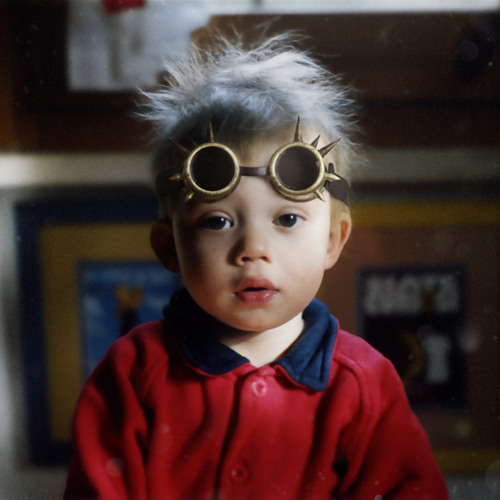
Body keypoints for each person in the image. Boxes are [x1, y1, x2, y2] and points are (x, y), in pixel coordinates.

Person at [64, 34, 448, 499]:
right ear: (169, 246)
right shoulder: (132, 372)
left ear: (332, 240)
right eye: (217, 221)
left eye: (287, 219)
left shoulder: (365, 382)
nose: (253, 249)